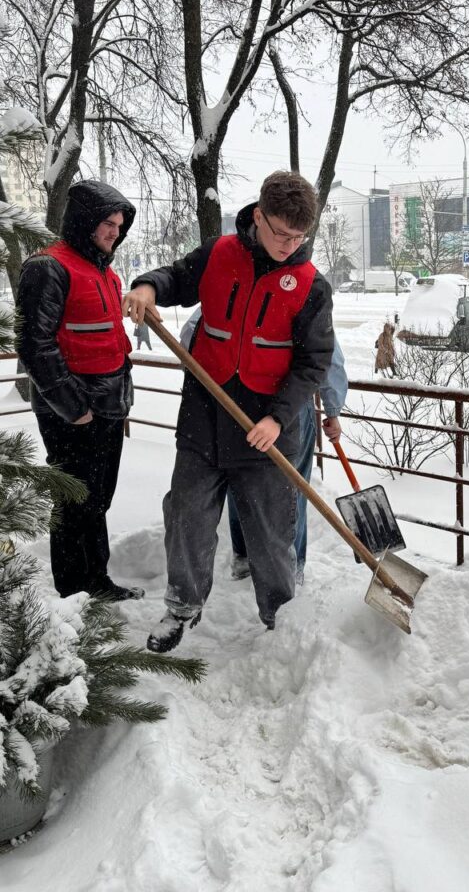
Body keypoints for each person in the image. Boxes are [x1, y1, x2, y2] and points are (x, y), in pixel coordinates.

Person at [123, 171, 334, 653]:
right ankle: (181, 607)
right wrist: (148, 288)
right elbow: (175, 277)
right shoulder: (219, 254)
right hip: (205, 412)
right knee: (187, 514)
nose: (289, 244)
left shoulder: (309, 287)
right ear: (257, 217)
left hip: (265, 427)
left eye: (299, 236)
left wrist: (278, 417)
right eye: (280, 232)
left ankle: (281, 616)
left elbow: (313, 363)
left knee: (271, 530)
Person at [16, 179, 144, 601]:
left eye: (119, 225)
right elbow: (35, 345)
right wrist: (74, 408)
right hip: (71, 411)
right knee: (74, 503)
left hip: (107, 406)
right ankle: (74, 594)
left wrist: (118, 399)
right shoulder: (48, 267)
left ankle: (97, 581)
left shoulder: (104, 272)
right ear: (84, 221)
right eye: (107, 223)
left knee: (98, 499)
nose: (115, 232)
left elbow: (105, 339)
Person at [229, 339, 348, 585]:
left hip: (238, 404)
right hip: (292, 406)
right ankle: (291, 567)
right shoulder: (302, 302)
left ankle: (243, 558)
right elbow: (328, 356)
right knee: (293, 490)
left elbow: (193, 333)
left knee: (239, 479)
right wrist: (332, 410)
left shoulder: (231, 299)